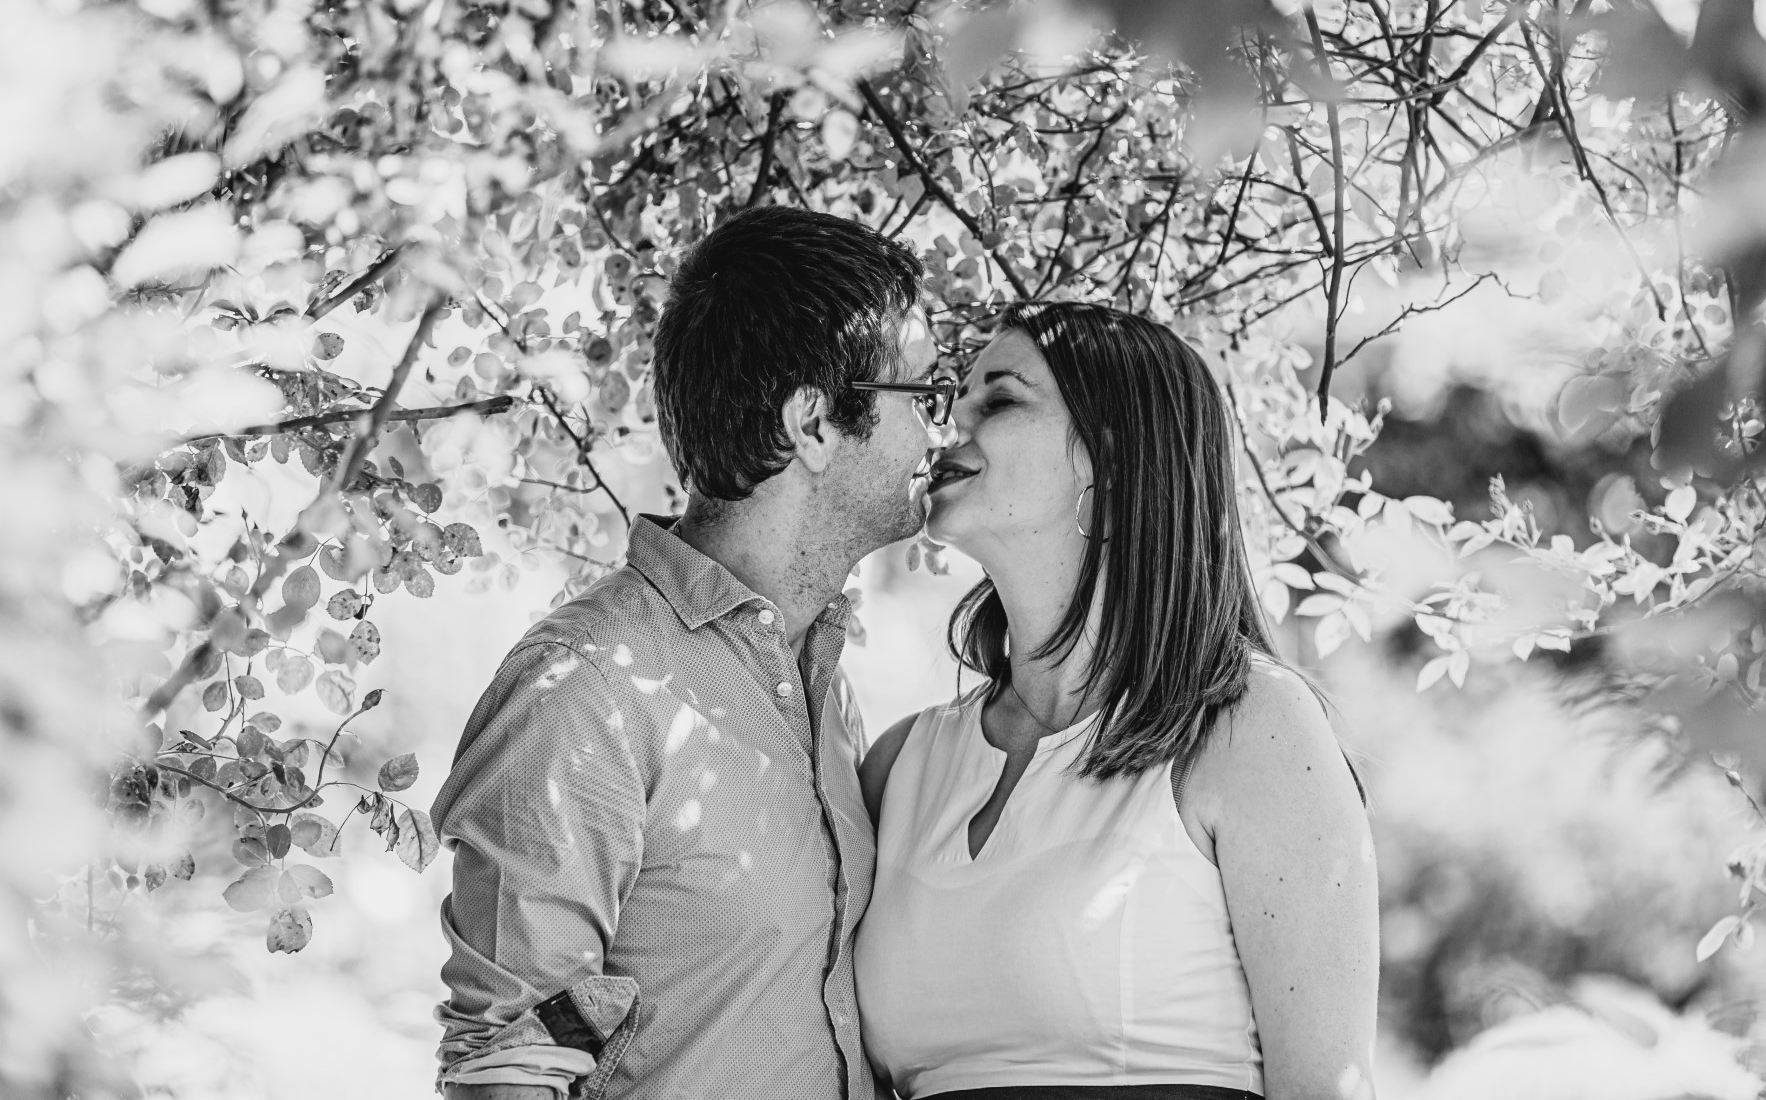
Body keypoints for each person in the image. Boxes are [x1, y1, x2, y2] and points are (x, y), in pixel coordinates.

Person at [431, 206, 958, 1100]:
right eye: (922, 396)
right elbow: (510, 1067)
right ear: (815, 422)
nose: (935, 432)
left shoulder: (821, 683)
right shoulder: (585, 690)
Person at [854, 302, 1380, 1100]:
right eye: (953, 403)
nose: (947, 428)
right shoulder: (899, 766)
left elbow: (1326, 1088)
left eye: (999, 400)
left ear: (1111, 460)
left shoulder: (1250, 728)